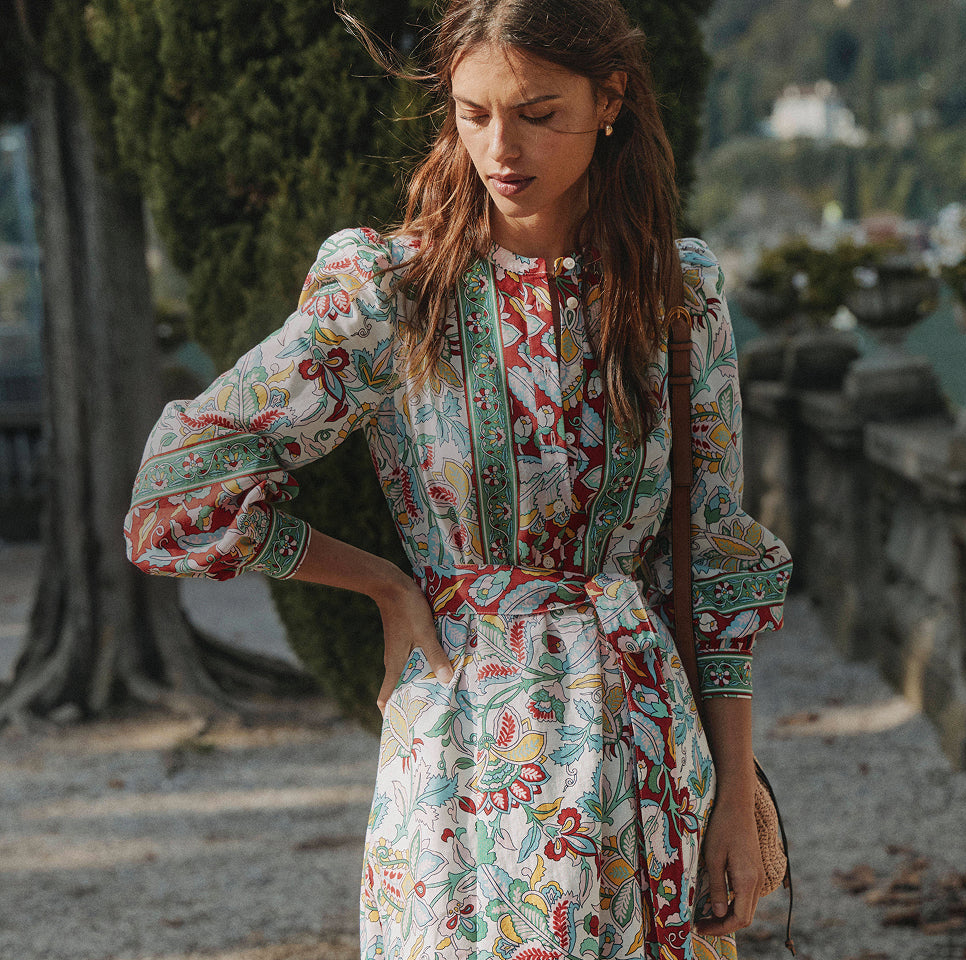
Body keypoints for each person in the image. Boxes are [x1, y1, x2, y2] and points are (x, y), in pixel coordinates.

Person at [124, 0, 792, 956]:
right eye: (473, 113)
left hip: (645, 746)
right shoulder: (391, 294)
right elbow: (177, 494)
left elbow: (715, 558)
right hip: (464, 757)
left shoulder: (678, 301)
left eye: (536, 112)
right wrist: (385, 585)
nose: (501, 147)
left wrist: (734, 793)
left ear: (610, 101)